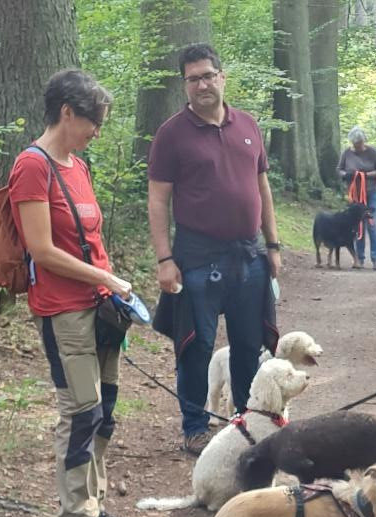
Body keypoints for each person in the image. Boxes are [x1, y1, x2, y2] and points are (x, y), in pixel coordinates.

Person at [8, 69, 135, 517]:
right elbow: (42, 249)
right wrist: (107, 278)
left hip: (102, 307)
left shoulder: (77, 167)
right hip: (63, 312)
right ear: (67, 112)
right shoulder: (31, 167)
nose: (96, 132)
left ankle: (95, 507)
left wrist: (113, 284)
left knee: (105, 410)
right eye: (92, 121)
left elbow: (89, 240)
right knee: (81, 413)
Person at [148, 43, 282, 456]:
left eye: (208, 75)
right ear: (184, 85)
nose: (202, 84)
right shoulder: (171, 134)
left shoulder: (248, 124)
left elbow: (262, 187)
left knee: (248, 343)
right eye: (193, 79)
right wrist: (165, 259)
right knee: (196, 344)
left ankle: (245, 421)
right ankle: (195, 426)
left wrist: (272, 244)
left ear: (222, 77)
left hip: (248, 254)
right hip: (196, 256)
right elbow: (157, 201)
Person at [337, 126, 376, 270]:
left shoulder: (372, 152)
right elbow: (339, 169)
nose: (358, 147)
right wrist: (346, 175)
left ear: (364, 141)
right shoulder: (347, 153)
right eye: (355, 144)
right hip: (355, 195)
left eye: (360, 144)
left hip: (372, 192)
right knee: (358, 226)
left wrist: (366, 175)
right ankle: (359, 258)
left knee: (372, 224)